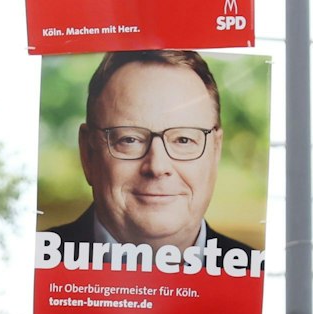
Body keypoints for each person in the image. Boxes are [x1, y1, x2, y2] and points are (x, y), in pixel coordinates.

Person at [44, 50, 260, 266]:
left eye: (183, 140)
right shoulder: (27, 264)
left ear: (216, 151)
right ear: (88, 153)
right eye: (129, 139)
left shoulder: (264, 277)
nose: (157, 167)